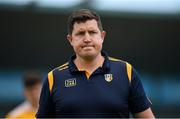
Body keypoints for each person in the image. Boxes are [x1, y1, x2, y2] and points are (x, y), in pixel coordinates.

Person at [36, 9, 155, 118]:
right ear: (70, 39)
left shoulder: (125, 71)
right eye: (80, 33)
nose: (87, 39)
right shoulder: (54, 78)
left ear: (102, 36)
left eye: (92, 32)